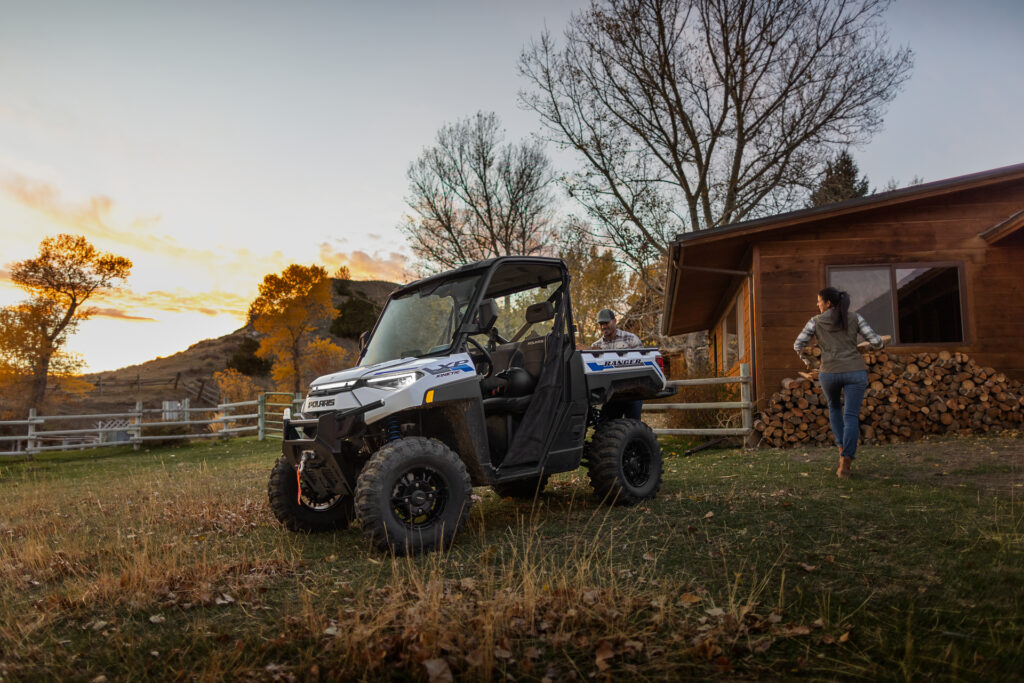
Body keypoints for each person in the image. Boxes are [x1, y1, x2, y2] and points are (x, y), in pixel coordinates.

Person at [793, 287, 884, 478]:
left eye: (819, 301)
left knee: (834, 408)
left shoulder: (815, 321)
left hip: (829, 373)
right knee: (850, 415)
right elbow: (876, 341)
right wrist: (877, 346)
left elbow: (798, 344)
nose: (817, 304)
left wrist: (808, 361)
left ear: (827, 303)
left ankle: (841, 451)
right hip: (855, 372)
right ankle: (846, 461)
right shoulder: (855, 318)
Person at [591, 308, 643, 420]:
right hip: (611, 396)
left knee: (634, 426)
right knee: (606, 427)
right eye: (601, 324)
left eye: (606, 322)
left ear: (614, 321)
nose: (603, 326)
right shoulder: (595, 346)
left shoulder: (630, 339)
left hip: (632, 392)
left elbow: (642, 363)